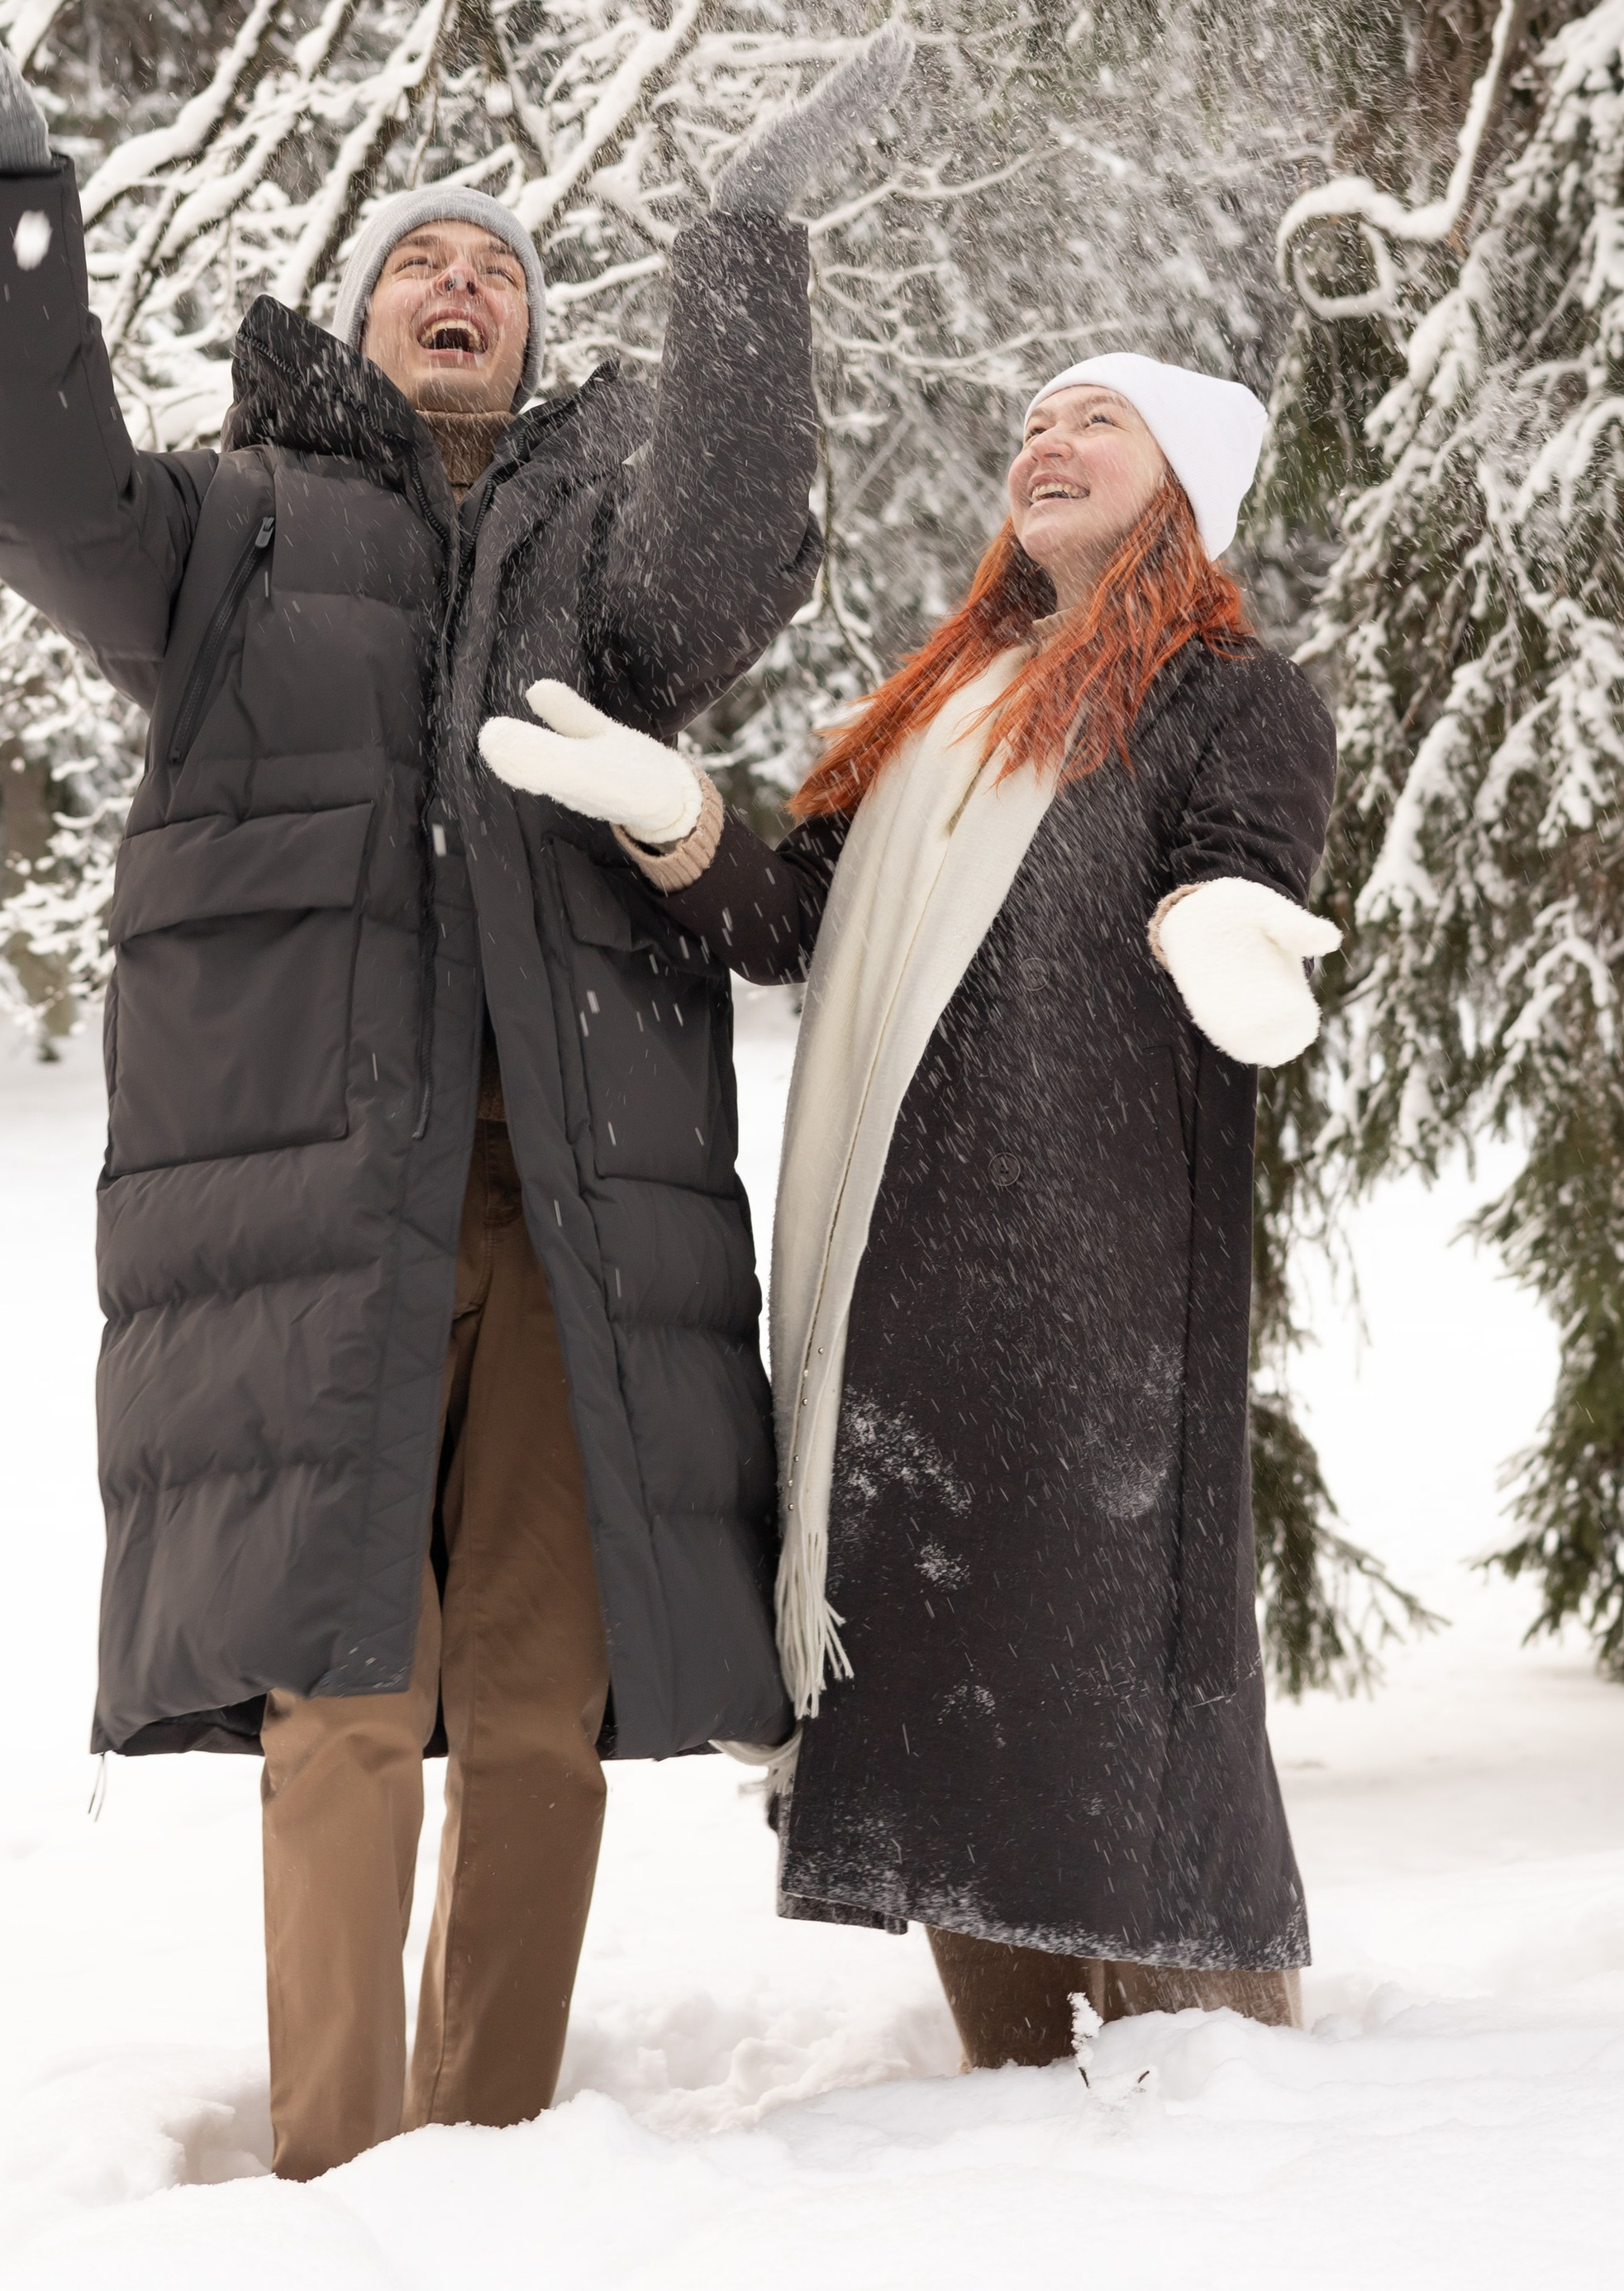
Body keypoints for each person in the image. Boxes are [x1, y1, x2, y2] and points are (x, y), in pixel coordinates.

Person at [0, 0, 915, 2173]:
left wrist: (743, 243)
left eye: (494, 269)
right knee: (345, 1689)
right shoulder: (229, 533)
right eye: (419, 260)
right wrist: (11, 180)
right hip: (321, 1203)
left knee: (536, 1689)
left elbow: (741, 548)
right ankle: (338, 2171)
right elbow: (42, 496)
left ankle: (499, 2157)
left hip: (568, 1211)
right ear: (362, 321)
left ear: (528, 334)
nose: (458, 284)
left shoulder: (600, 562)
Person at [479, 352, 1339, 2069]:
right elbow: (785, 920)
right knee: (943, 1682)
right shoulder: (939, 707)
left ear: (1180, 478)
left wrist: (1226, 920)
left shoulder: (1223, 691)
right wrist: (674, 813)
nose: (1047, 438)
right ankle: (1002, 2098)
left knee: (1111, 1685)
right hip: (899, 1276)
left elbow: (1240, 847)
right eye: (1034, 421)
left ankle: (1223, 2084)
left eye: (1093, 418)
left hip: (1096, 1279)